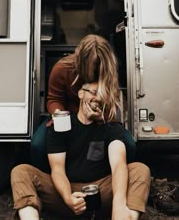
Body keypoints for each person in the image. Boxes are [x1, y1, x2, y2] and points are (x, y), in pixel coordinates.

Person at [11, 81, 151, 220]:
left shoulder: (111, 127)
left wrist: (119, 204)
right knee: (21, 172)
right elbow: (57, 169)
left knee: (140, 170)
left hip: (101, 193)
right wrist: (68, 197)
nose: (98, 98)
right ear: (81, 93)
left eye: (103, 94)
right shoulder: (62, 125)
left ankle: (124, 217)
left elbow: (118, 165)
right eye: (94, 92)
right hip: (65, 194)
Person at [31, 34, 136, 172]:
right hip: (67, 119)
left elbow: (112, 103)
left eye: (97, 66)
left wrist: (99, 116)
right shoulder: (62, 68)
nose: (94, 70)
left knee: (130, 145)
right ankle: (50, 179)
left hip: (99, 120)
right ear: (81, 61)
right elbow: (54, 99)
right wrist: (58, 114)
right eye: (91, 65)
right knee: (37, 145)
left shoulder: (108, 72)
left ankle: (118, 178)